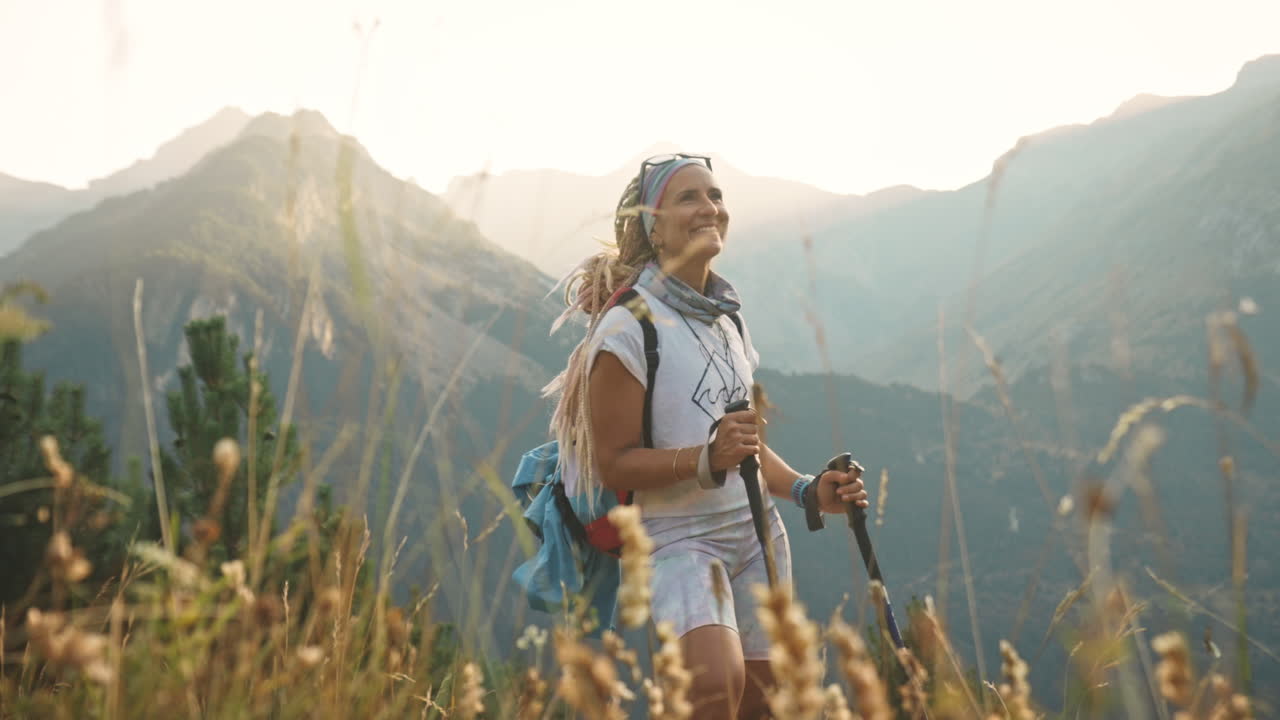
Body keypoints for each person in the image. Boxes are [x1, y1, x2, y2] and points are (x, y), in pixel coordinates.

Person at [545, 153, 869, 720]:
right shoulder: (628, 328)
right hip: (677, 541)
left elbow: (745, 447)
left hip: (756, 537)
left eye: (715, 196)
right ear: (654, 225)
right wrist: (704, 458)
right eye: (689, 198)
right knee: (714, 693)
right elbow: (615, 463)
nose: (710, 208)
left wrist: (808, 491)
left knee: (768, 706)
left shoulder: (728, 319)